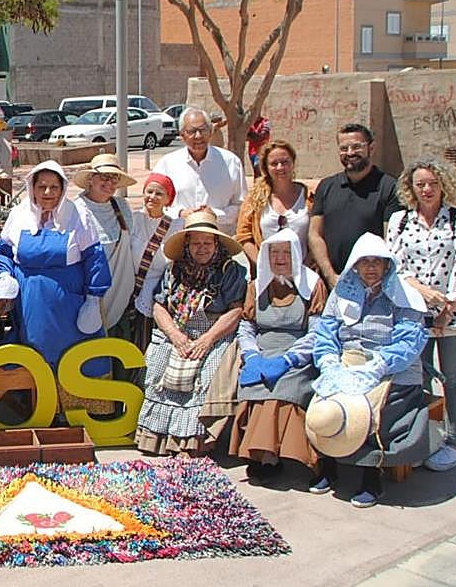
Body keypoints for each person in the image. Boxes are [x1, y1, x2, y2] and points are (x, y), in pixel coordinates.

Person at [307, 233, 432, 508]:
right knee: (326, 401)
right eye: (365, 262)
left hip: (389, 364)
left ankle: (370, 476)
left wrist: (378, 366)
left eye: (378, 262)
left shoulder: (403, 294)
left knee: (373, 408)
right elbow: (326, 333)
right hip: (347, 360)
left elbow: (409, 341)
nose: (371, 267)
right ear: (355, 265)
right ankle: (329, 467)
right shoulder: (342, 293)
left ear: (388, 265)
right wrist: (329, 363)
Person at [387, 157, 456, 472]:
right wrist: (421, 292)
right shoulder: (401, 221)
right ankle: (424, 436)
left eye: (433, 183)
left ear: (444, 185)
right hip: (415, 313)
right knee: (420, 376)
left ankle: (452, 443)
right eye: (420, 183)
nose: (427, 189)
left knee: (452, 379)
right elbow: (395, 267)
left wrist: (446, 310)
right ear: (411, 187)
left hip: (454, 313)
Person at [135, 209, 248, 457]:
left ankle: (194, 442)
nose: (202, 248)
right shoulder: (174, 269)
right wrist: (175, 336)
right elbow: (159, 306)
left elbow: (236, 309)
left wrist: (207, 340)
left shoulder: (230, 271)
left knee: (209, 373)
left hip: (215, 333)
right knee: (156, 364)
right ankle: (158, 439)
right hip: (178, 331)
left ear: (216, 243)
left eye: (207, 243)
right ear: (187, 245)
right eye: (196, 243)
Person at [0, 160, 110, 374]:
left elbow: (95, 258)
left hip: (69, 307)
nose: (47, 192)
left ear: (62, 189)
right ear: (32, 188)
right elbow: (2, 253)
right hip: (30, 304)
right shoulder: (19, 215)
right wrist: (4, 276)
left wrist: (93, 299)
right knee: (34, 359)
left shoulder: (78, 216)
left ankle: (73, 402)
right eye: (42, 186)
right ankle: (36, 403)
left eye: (54, 187)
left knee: (71, 360)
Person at [230, 230, 327, 484]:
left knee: (284, 386)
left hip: (298, 353)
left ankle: (287, 455)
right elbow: (247, 326)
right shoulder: (257, 286)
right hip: (262, 349)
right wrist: (251, 354)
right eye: (275, 253)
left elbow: (317, 332)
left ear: (295, 254)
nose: (280, 258)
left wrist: (291, 359)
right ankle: (262, 455)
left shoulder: (312, 284)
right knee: (256, 384)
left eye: (286, 252)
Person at [309, 123, 402, 291]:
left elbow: (391, 239)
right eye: (344, 148)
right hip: (331, 283)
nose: (350, 153)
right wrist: (330, 276)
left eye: (357, 147)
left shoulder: (389, 187)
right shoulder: (326, 186)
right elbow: (315, 234)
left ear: (371, 148)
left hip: (372, 287)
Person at [152, 107, 247, 234]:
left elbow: (242, 206)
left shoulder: (231, 162)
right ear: (182, 135)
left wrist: (215, 214)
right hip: (178, 240)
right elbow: (154, 203)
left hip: (220, 241)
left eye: (203, 130)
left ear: (211, 131)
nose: (198, 136)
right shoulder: (167, 163)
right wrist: (180, 213)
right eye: (192, 131)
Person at [72, 153, 136, 334]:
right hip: (89, 296)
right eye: (104, 177)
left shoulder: (121, 206)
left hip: (120, 295)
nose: (109, 183)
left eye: (114, 178)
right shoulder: (76, 209)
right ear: (91, 179)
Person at [128, 173, 183, 352]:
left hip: (156, 294)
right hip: (129, 290)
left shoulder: (175, 226)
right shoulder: (132, 219)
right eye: (149, 191)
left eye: (159, 193)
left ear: (168, 199)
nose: (152, 197)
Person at [235, 140, 312, 268]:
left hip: (303, 272)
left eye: (285, 162)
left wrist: (303, 268)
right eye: (274, 164)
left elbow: (318, 235)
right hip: (266, 277)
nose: (280, 167)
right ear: (266, 167)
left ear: (293, 163)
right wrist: (264, 267)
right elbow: (244, 236)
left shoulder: (309, 198)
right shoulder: (255, 199)